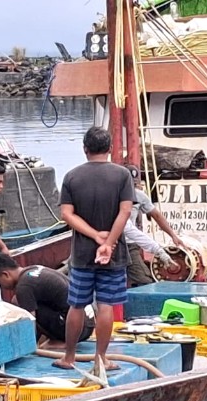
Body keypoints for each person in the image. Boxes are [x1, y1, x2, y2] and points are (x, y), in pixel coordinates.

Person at [53, 126, 134, 371]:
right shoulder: (122, 175)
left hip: (82, 254)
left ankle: (69, 356)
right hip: (114, 254)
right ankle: (101, 359)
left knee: (77, 305)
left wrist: (94, 236)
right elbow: (125, 211)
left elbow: (67, 214)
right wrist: (108, 243)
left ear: (85, 149)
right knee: (106, 305)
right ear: (110, 148)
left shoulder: (72, 177)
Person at [0, 253, 94, 349]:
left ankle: (64, 342)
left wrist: (28, 345)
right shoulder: (33, 269)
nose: (2, 287)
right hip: (88, 324)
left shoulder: (23, 286)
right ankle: (58, 337)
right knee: (19, 301)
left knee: (23, 308)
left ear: (5, 274)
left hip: (77, 329)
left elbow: (30, 321)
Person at [123, 164, 185, 286]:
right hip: (109, 244)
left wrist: (172, 236)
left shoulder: (139, 196)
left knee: (144, 281)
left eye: (134, 184)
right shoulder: (111, 197)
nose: (131, 189)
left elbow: (156, 216)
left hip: (129, 244)